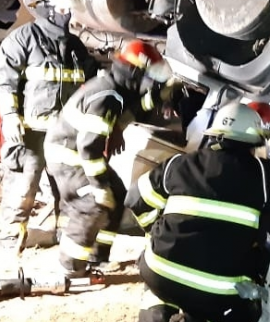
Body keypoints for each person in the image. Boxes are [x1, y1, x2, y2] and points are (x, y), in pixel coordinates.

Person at [127, 102, 270, 322]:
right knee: (242, 305)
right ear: (254, 140)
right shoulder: (260, 173)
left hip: (158, 272)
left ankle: (156, 313)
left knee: (160, 288)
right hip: (216, 293)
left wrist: (152, 229)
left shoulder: (180, 164)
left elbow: (135, 198)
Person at [44, 39, 174, 277]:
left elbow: (131, 109)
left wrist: (160, 94)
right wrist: (98, 186)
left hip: (71, 153)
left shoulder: (115, 86)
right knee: (93, 204)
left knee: (116, 195)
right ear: (136, 71)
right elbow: (88, 149)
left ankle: (97, 256)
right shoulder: (107, 95)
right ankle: (70, 267)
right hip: (69, 158)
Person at [0, 0, 98, 250]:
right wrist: (10, 116)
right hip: (31, 136)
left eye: (70, 7)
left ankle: (65, 241)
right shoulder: (23, 39)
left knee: (68, 190)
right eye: (64, 6)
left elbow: (93, 84)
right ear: (48, 7)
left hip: (64, 136)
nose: (68, 13)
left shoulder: (75, 47)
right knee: (22, 188)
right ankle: (10, 243)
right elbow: (5, 81)